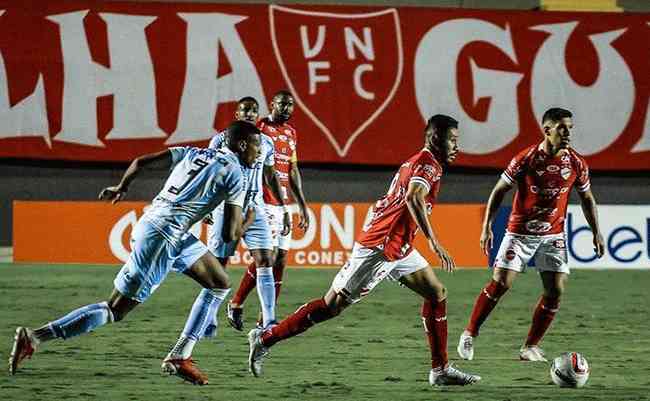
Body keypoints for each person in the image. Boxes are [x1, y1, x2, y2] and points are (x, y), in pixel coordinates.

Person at [8, 121, 262, 382]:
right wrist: (251, 219)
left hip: (165, 229)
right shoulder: (236, 175)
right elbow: (229, 235)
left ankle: (179, 356)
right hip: (162, 238)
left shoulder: (193, 152)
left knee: (219, 283)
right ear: (242, 145)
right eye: (256, 146)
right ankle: (36, 336)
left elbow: (141, 161)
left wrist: (122, 187)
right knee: (115, 309)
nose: (259, 152)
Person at [247, 115, 481, 386]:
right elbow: (413, 196)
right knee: (331, 306)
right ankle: (265, 338)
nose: (456, 146)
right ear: (434, 137)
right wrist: (433, 240)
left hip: (399, 247)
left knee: (436, 293)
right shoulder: (428, 164)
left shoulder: (420, 161)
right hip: (380, 248)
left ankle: (440, 370)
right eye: (452, 139)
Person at [456, 107, 605, 362]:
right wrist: (486, 227)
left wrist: (597, 232)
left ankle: (530, 347)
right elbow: (499, 190)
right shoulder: (526, 158)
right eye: (562, 128)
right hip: (520, 232)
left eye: (570, 127)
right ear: (547, 130)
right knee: (501, 283)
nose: (568, 132)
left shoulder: (577, 163)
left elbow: (587, 198)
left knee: (556, 290)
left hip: (553, 235)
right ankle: (469, 333)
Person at [160, 97, 290, 382]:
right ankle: (210, 316)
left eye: (253, 111)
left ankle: (269, 320)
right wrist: (207, 206)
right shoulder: (219, 140)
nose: (249, 114)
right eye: (244, 110)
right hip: (224, 208)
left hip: (254, 207)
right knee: (217, 266)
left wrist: (282, 207)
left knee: (266, 258)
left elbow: (270, 176)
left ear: (258, 114)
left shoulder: (265, 143)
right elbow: (208, 172)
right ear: (236, 113)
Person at [227, 90, 310, 330]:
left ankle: (265, 318)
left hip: (283, 201)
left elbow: (292, 170)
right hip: (264, 200)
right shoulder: (259, 128)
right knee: (268, 257)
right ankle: (236, 302)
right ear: (272, 105)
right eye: (282, 104)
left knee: (281, 259)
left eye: (290, 105)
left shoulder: (292, 133)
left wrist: (301, 205)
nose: (286, 108)